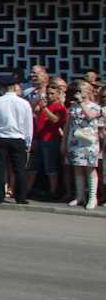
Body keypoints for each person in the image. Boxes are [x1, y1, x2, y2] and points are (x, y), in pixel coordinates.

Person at [0, 77, 34, 205]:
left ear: (2, 88)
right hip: (18, 138)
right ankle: (20, 197)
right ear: (15, 88)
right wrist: (28, 142)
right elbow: (28, 125)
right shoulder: (24, 103)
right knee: (19, 169)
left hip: (0, 137)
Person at [65, 80, 101, 209]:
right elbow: (68, 125)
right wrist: (64, 143)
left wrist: (82, 102)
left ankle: (92, 197)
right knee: (77, 168)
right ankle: (79, 195)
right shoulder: (73, 108)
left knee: (90, 169)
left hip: (89, 143)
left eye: (80, 92)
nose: (78, 94)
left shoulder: (95, 107)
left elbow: (90, 117)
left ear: (87, 93)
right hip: (75, 142)